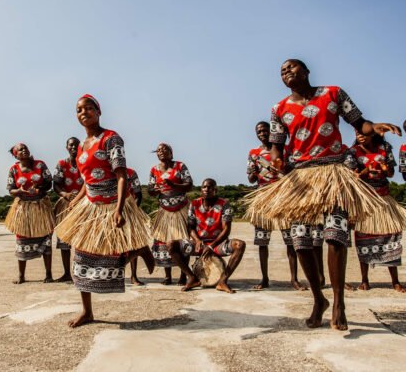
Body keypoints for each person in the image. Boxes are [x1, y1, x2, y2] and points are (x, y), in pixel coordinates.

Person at [244, 58, 402, 330]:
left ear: (305, 71)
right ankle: (319, 299)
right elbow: (276, 147)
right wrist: (277, 160)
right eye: (282, 71)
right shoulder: (278, 109)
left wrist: (375, 127)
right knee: (301, 242)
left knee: (335, 236)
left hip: (334, 173)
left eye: (291, 67)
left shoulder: (333, 93)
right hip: (300, 179)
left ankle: (338, 301)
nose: (286, 72)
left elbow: (360, 122)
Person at [55, 94, 154, 328]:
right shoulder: (80, 147)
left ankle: (138, 249)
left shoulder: (111, 139)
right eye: (79, 110)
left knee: (109, 257)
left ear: (98, 112)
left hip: (112, 202)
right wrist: (75, 201)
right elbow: (86, 181)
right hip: (90, 206)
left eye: (89, 108)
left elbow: (121, 177)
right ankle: (86, 311)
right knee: (80, 259)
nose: (84, 112)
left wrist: (119, 209)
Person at [247, 121, 310, 291]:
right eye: (259, 131)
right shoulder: (254, 153)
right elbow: (251, 179)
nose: (262, 134)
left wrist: (281, 169)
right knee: (262, 241)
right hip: (263, 197)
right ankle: (265, 278)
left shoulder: (285, 150)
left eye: (265, 131)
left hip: (283, 196)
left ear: (271, 132)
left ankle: (294, 279)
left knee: (290, 240)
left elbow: (293, 170)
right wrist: (254, 173)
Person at [349, 130, 406, 292]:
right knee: (363, 238)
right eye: (356, 132)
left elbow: (391, 173)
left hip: (384, 199)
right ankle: (364, 279)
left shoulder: (384, 147)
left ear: (371, 134)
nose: (359, 135)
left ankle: (395, 281)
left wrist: (384, 168)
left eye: (363, 133)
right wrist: (365, 171)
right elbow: (353, 176)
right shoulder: (353, 152)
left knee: (391, 236)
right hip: (365, 202)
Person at [168, 178, 246, 293]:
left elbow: (226, 229)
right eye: (204, 187)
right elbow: (191, 227)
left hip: (218, 244)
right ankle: (192, 278)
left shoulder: (224, 204)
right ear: (201, 189)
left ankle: (222, 281)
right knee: (171, 245)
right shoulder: (194, 204)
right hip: (199, 244)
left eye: (210, 187)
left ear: (215, 190)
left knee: (240, 245)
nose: (206, 189)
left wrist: (211, 246)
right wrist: (198, 240)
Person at [4, 143, 54, 284]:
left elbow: (49, 183)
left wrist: (40, 188)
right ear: (15, 155)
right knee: (21, 239)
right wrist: (19, 191)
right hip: (24, 209)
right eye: (20, 149)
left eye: (25, 148)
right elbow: (10, 189)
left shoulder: (40, 165)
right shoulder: (14, 169)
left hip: (40, 207)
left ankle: (49, 274)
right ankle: (21, 276)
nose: (24, 150)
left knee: (46, 239)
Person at [147, 143, 193, 285]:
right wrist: (154, 190)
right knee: (163, 241)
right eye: (158, 150)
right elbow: (150, 190)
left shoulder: (180, 166)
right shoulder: (154, 170)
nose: (161, 152)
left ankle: (183, 275)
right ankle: (167, 276)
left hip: (181, 208)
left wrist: (174, 185)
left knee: (183, 241)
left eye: (164, 149)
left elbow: (189, 185)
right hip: (164, 210)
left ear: (171, 153)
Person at [52, 137, 83, 283]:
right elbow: (56, 185)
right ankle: (66, 274)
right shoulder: (62, 164)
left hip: (84, 206)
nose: (74, 147)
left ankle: (81, 272)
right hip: (66, 205)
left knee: (82, 241)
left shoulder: (85, 163)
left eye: (76, 145)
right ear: (67, 147)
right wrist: (65, 195)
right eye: (71, 145)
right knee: (65, 241)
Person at [126, 167, 146, 285]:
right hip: (108, 210)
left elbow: (138, 194)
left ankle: (133, 276)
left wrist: (134, 211)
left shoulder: (131, 173)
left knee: (133, 244)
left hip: (130, 210)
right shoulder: (105, 171)